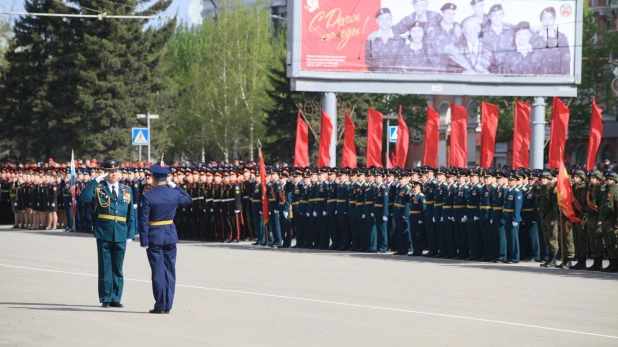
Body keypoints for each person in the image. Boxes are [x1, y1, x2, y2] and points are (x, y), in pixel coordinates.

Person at [79, 160, 135, 308]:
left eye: (116, 171)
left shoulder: (127, 190)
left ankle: (116, 297)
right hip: (104, 232)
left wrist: (131, 233)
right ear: (106, 173)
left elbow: (131, 214)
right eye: (110, 172)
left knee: (118, 267)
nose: (114, 174)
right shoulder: (99, 190)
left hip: (121, 233)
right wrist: (95, 181)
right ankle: (106, 297)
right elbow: (84, 198)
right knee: (105, 267)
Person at [139, 165, 192, 314]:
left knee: (157, 271)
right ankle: (168, 304)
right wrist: (174, 185)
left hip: (154, 235)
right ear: (166, 179)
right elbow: (188, 199)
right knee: (170, 271)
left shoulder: (148, 196)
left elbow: (143, 220)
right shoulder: (174, 194)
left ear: (153, 179)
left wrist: (144, 240)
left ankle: (160, 304)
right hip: (169, 234)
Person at [532, 7, 571, 75]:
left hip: (555, 81)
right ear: (541, 20)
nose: (547, 21)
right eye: (544, 18)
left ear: (554, 20)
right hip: (535, 80)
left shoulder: (561, 38)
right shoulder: (534, 37)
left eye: (550, 18)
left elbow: (566, 62)